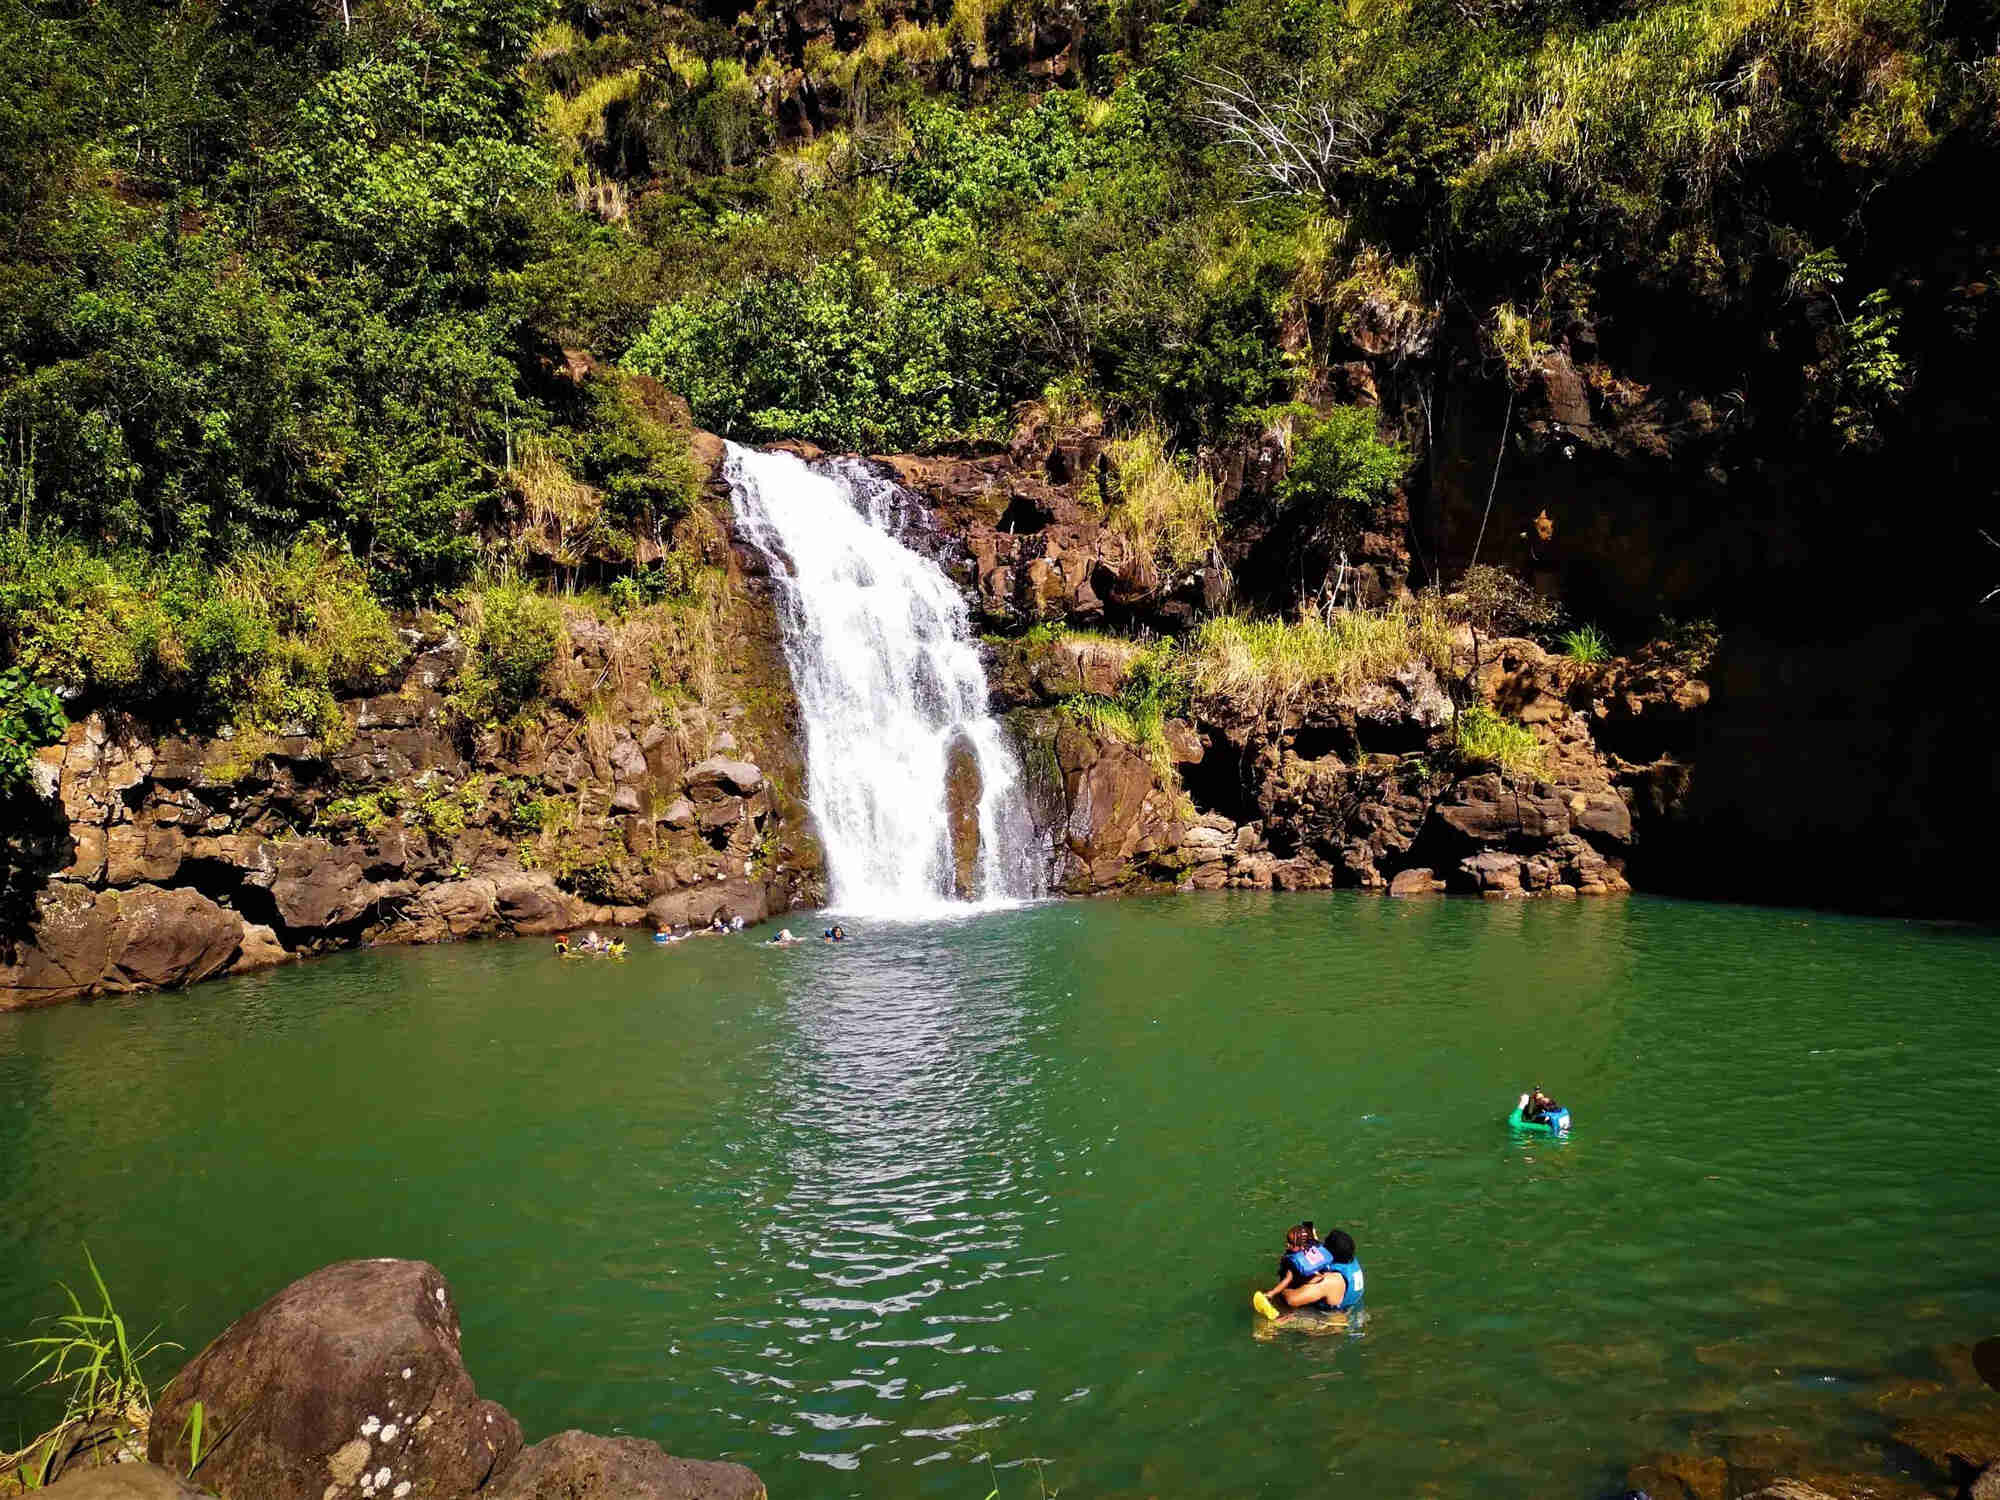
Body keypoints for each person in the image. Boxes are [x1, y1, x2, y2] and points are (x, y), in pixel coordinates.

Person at [1260, 1224, 1364, 1317]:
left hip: (1331, 1320)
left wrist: (1289, 1279)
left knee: (1280, 1316)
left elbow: (1291, 1300)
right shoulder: (1347, 1259)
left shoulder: (1330, 1281)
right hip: (1351, 1310)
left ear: (1328, 1253)